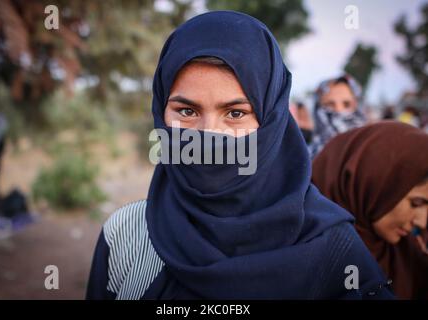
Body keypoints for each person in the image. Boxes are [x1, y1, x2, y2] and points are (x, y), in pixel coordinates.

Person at [86, 11, 393, 300]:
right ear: (160, 112)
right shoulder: (126, 234)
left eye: (235, 112)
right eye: (187, 111)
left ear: (271, 122)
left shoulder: (333, 248)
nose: (209, 135)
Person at [312, 121, 428, 299]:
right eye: (417, 203)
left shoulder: (412, 249)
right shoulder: (304, 248)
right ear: (376, 182)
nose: (421, 221)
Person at [309, 74, 366, 158]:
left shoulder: (369, 151)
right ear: (317, 107)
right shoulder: (304, 158)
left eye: (346, 104)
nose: (339, 110)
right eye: (329, 104)